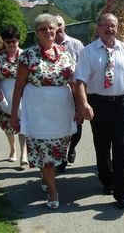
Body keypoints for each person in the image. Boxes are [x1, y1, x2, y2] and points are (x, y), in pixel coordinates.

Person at [10, 14, 78, 210]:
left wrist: (80, 107)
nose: (48, 32)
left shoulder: (66, 54)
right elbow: (18, 87)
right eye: (43, 29)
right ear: (36, 32)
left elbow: (74, 83)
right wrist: (14, 114)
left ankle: (46, 178)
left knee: (57, 152)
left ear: (57, 29)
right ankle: (53, 190)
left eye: (51, 28)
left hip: (61, 113)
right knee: (43, 151)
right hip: (37, 113)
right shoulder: (28, 55)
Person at [74, 13, 124, 209]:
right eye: (106, 26)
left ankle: (122, 192)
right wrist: (84, 104)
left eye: (113, 26)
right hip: (98, 104)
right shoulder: (88, 52)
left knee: (121, 145)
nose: (110, 29)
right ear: (98, 28)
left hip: (123, 104)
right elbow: (80, 82)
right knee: (102, 145)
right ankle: (106, 180)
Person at [52, 15, 85, 173]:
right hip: (55, 94)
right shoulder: (47, 45)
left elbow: (84, 68)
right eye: (54, 25)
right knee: (59, 127)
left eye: (59, 24)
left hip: (75, 91)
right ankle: (62, 158)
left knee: (77, 128)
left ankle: (71, 148)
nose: (57, 28)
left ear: (64, 26)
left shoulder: (76, 44)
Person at [0, 26, 27, 166]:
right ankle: (13, 149)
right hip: (4, 96)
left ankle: (24, 153)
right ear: (4, 43)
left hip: (23, 96)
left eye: (14, 41)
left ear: (18, 40)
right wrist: (2, 99)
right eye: (8, 42)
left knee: (23, 124)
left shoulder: (25, 56)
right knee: (7, 125)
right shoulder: (0, 58)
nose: (11, 44)